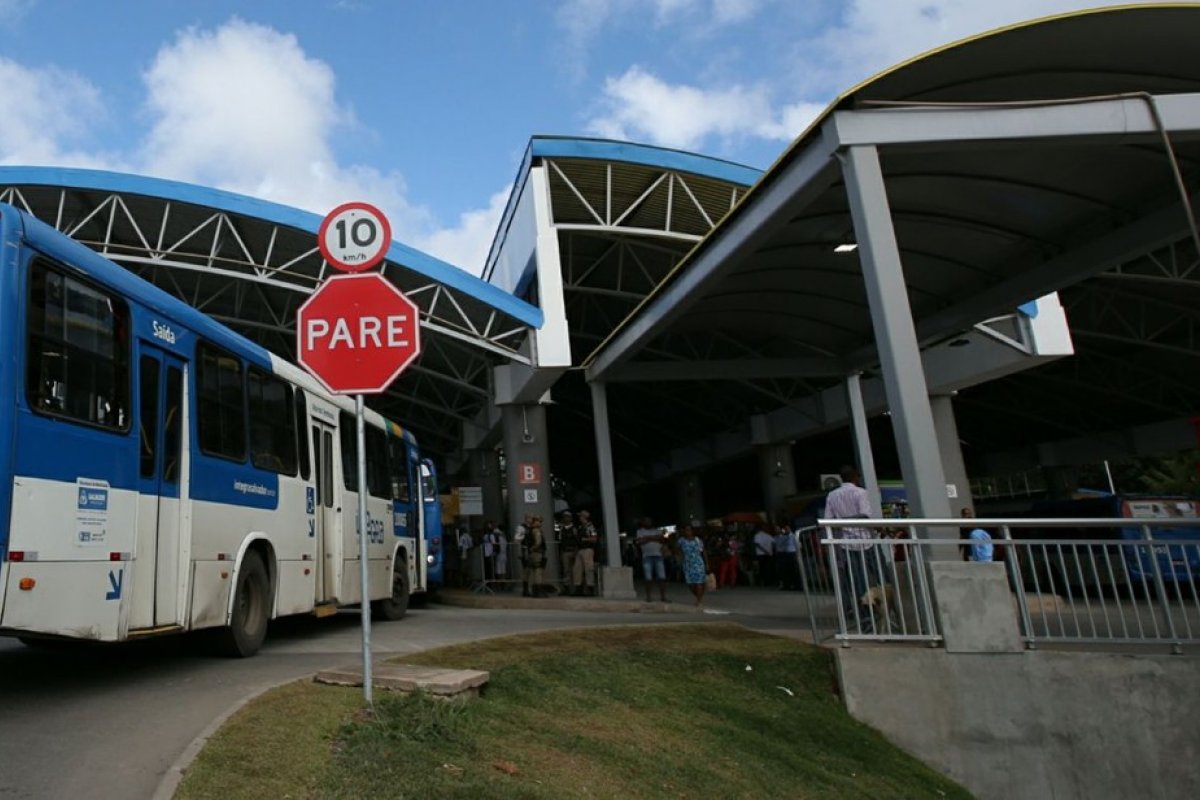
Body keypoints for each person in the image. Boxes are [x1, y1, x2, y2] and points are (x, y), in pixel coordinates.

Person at [824, 465, 881, 631]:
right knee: (881, 578)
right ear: (855, 477)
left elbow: (828, 519)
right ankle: (884, 611)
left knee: (857, 582)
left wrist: (842, 521)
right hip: (866, 541)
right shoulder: (860, 493)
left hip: (846, 544)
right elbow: (865, 515)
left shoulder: (832, 495)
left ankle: (865, 618)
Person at [636, 517, 669, 602]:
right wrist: (654, 538)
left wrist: (647, 538)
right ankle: (648, 597)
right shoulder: (640, 531)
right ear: (643, 522)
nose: (648, 522)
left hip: (658, 555)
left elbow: (662, 539)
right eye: (646, 521)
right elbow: (640, 541)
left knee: (662, 577)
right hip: (647, 556)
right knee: (648, 578)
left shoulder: (657, 530)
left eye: (649, 521)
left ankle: (663, 596)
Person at [677, 524, 709, 607]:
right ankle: (699, 597)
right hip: (687, 564)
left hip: (698, 563)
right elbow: (678, 550)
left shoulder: (698, 540)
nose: (687, 532)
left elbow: (703, 552)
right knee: (690, 584)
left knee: (699, 582)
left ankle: (699, 601)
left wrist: (706, 563)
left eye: (689, 530)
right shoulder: (681, 541)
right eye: (686, 530)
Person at [574, 510, 599, 596]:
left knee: (588, 569)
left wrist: (585, 539)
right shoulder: (580, 527)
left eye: (581, 516)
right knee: (577, 569)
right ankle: (578, 589)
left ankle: (590, 589)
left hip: (588, 549)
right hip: (580, 549)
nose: (579, 518)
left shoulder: (590, 527)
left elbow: (594, 538)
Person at [521, 515, 547, 597]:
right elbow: (538, 542)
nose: (540, 523)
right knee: (538, 571)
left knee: (528, 572)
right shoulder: (536, 530)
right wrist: (533, 548)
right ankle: (538, 591)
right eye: (538, 521)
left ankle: (526, 590)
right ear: (534, 521)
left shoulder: (528, 530)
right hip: (537, 553)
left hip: (529, 553)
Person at [557, 511, 580, 595]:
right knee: (566, 570)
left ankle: (575, 589)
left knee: (574, 571)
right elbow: (560, 541)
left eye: (567, 517)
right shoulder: (562, 529)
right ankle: (566, 588)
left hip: (572, 551)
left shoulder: (574, 529)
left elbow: (577, 541)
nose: (566, 519)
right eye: (564, 517)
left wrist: (575, 552)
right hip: (565, 551)